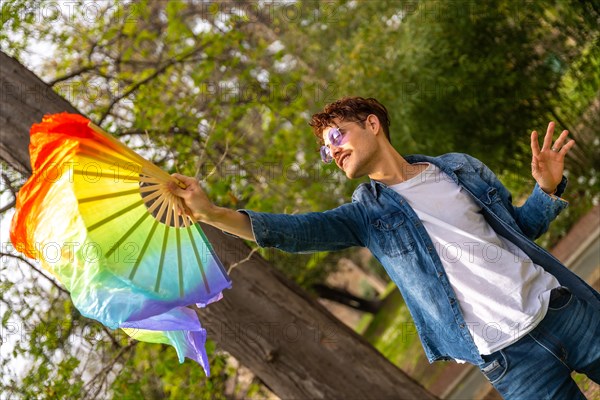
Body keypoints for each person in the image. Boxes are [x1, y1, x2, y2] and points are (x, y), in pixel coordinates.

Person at [169, 97, 600, 399]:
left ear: (371, 123)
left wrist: (546, 189)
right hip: (510, 362)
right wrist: (211, 213)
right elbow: (296, 231)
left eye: (336, 136)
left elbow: (520, 231)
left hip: (563, 310)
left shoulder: (457, 168)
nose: (332, 152)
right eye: (325, 150)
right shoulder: (365, 217)